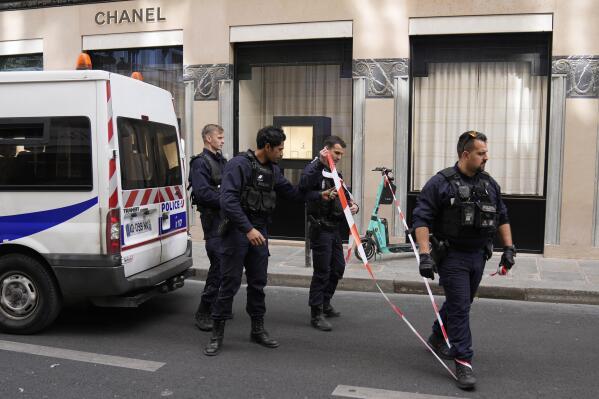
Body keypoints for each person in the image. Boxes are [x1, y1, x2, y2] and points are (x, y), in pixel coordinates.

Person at [204, 126, 331, 356]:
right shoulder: (239, 164)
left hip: (259, 232)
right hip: (237, 232)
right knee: (229, 283)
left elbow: (292, 193)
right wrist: (248, 229)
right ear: (267, 147)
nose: (282, 153)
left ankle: (257, 329)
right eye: (280, 149)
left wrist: (316, 194)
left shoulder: (273, 169)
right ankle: (217, 333)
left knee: (258, 283)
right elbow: (228, 201)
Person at [412, 131, 516, 390]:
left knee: (462, 301)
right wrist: (425, 255)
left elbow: (502, 216)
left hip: (478, 255)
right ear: (465, 154)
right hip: (452, 256)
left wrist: (509, 248)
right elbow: (421, 219)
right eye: (481, 153)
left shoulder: (489, 184)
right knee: (460, 306)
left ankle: (437, 336)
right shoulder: (440, 182)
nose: (486, 157)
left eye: (486, 152)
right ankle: (463, 361)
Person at [300, 136, 358, 331]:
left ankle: (325, 302)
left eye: (342, 154)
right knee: (322, 271)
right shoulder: (313, 168)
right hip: (320, 227)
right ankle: (316, 313)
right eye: (337, 153)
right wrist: (318, 166)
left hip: (334, 227)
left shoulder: (335, 172)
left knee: (337, 268)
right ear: (327, 150)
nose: (340, 157)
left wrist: (352, 204)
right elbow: (303, 189)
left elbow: (344, 193)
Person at [189, 124, 227, 332]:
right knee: (217, 267)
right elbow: (203, 194)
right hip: (213, 222)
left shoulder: (221, 161)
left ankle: (217, 309)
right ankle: (203, 311)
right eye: (219, 137)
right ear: (208, 138)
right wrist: (228, 199)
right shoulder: (200, 163)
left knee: (225, 267)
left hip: (225, 220)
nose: (222, 140)